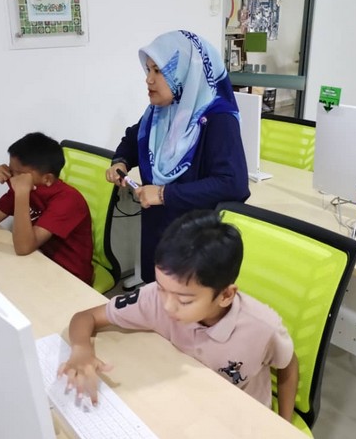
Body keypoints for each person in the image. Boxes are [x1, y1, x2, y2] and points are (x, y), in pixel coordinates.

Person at [58, 210, 298, 423]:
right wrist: (81, 349)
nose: (167, 306)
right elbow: (85, 317)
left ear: (226, 295)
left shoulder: (262, 327)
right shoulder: (154, 297)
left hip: (240, 418)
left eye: (184, 300)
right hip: (184, 401)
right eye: (162, 287)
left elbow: (288, 365)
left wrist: (285, 424)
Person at [106, 30, 250, 288]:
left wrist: (164, 194)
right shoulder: (160, 111)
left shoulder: (218, 119)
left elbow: (233, 184)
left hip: (195, 242)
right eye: (148, 69)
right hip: (159, 230)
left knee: (184, 303)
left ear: (185, 72)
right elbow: (133, 138)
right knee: (158, 294)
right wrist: (121, 161)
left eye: (158, 71)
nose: (148, 79)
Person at [0, 132, 94, 285]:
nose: (12, 178)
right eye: (11, 170)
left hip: (71, 276)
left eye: (19, 173)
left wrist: (21, 194)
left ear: (47, 178)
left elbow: (23, 247)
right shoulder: (25, 186)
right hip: (38, 260)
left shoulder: (68, 200)